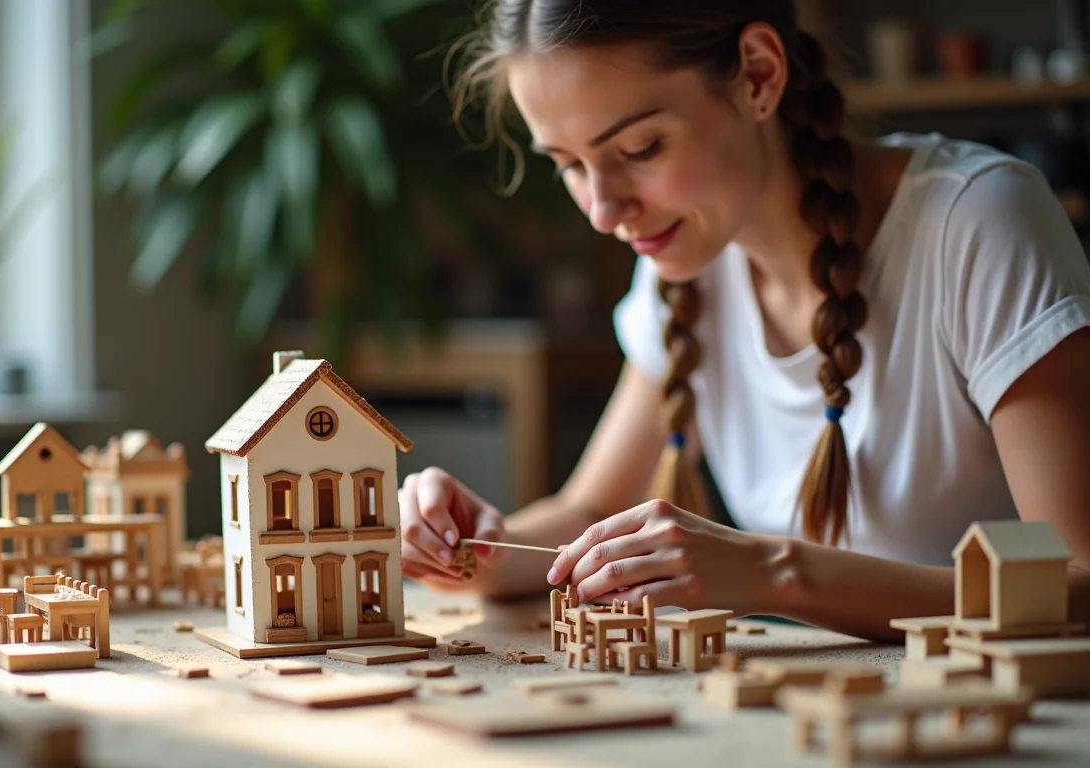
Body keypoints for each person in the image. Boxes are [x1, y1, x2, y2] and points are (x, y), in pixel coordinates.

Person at [397, 0, 1090, 642]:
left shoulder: (979, 222)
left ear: (758, 75)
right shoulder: (683, 263)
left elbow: (1080, 584)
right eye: (569, 165)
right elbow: (587, 514)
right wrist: (475, 548)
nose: (603, 213)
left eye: (641, 149)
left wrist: (775, 574)